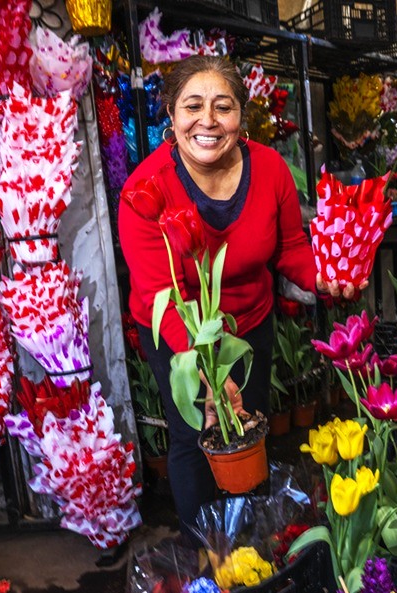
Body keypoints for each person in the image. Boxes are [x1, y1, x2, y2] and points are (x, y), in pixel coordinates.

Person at [118, 55, 362, 540]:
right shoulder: (144, 192)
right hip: (176, 331)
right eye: (192, 106)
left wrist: (328, 276)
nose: (207, 121)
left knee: (250, 426)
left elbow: (292, 248)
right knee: (195, 433)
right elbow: (160, 291)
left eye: (222, 107)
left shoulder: (270, 169)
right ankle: (207, 557)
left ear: (241, 117)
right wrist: (207, 372)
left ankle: (251, 544)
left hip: (249, 323)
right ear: (171, 115)